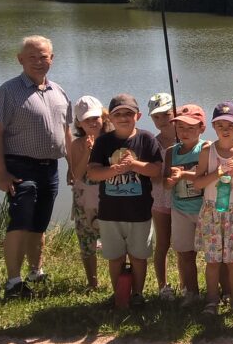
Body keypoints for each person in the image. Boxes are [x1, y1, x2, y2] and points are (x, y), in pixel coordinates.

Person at [0, 35, 72, 299]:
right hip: (20, 167)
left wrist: (73, 165)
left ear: (52, 58)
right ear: (20, 59)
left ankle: (36, 271)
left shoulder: (59, 91)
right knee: (20, 222)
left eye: (43, 56)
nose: (38, 61)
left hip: (50, 168)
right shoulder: (7, 92)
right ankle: (13, 282)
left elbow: (67, 133)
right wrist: (1, 172)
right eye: (32, 57)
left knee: (39, 224)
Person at [85, 94, 164, 308]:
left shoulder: (147, 139)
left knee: (139, 257)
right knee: (115, 257)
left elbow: (156, 170)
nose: (123, 118)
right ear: (110, 117)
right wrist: (113, 170)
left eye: (128, 114)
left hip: (139, 213)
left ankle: (137, 294)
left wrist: (135, 165)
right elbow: (93, 173)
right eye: (118, 114)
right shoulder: (103, 142)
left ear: (137, 116)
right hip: (110, 213)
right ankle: (118, 295)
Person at [191, 101, 233, 315]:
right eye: (220, 125)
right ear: (213, 126)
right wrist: (216, 174)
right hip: (212, 212)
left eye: (230, 125)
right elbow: (197, 183)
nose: (226, 129)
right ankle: (211, 301)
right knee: (212, 262)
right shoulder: (207, 151)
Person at [162, 104, 206, 305]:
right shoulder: (171, 152)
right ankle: (191, 292)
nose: (185, 132)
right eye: (180, 127)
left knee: (215, 255)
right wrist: (169, 182)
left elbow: (211, 175)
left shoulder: (207, 148)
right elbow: (165, 181)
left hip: (206, 209)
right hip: (180, 210)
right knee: (185, 253)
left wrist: (185, 174)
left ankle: (220, 293)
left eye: (190, 128)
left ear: (201, 128)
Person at [67, 95, 107, 289]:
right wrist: (87, 153)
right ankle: (92, 282)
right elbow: (77, 174)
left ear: (104, 118)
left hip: (107, 198)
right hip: (84, 200)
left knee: (115, 239)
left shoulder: (111, 140)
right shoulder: (76, 144)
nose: (92, 122)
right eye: (87, 119)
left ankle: (121, 278)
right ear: (79, 123)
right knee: (86, 242)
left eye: (96, 118)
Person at [146, 92, 176, 300]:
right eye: (156, 116)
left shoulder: (186, 140)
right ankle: (162, 286)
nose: (162, 120)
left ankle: (188, 285)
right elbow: (151, 177)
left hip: (185, 201)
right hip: (160, 200)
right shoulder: (151, 144)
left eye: (166, 114)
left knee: (186, 247)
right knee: (163, 243)